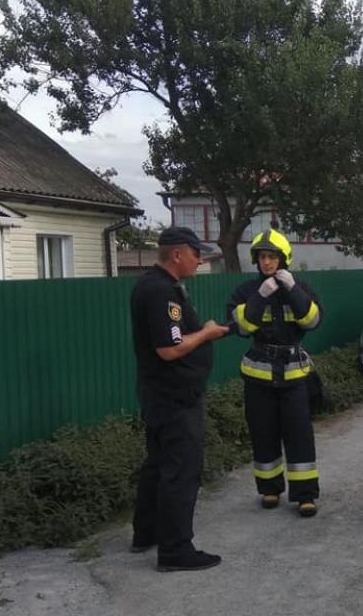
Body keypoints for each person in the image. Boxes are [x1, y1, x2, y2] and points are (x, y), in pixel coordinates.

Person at [130, 226, 231, 572]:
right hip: (175, 397)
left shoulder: (155, 285)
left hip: (160, 393)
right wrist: (207, 333)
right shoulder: (161, 291)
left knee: (158, 465)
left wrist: (204, 332)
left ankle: (146, 532)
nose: (199, 260)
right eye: (195, 253)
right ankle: (175, 550)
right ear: (177, 254)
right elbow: (169, 349)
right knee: (180, 471)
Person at [226, 228, 323, 516]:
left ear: (284, 259)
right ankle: (269, 489)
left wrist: (292, 290)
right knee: (263, 433)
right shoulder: (245, 291)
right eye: (262, 257)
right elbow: (242, 327)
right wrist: (259, 296)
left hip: (294, 377)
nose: (267, 262)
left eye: (272, 257)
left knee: (300, 436)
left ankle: (305, 494)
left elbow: (313, 321)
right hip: (259, 377)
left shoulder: (300, 288)